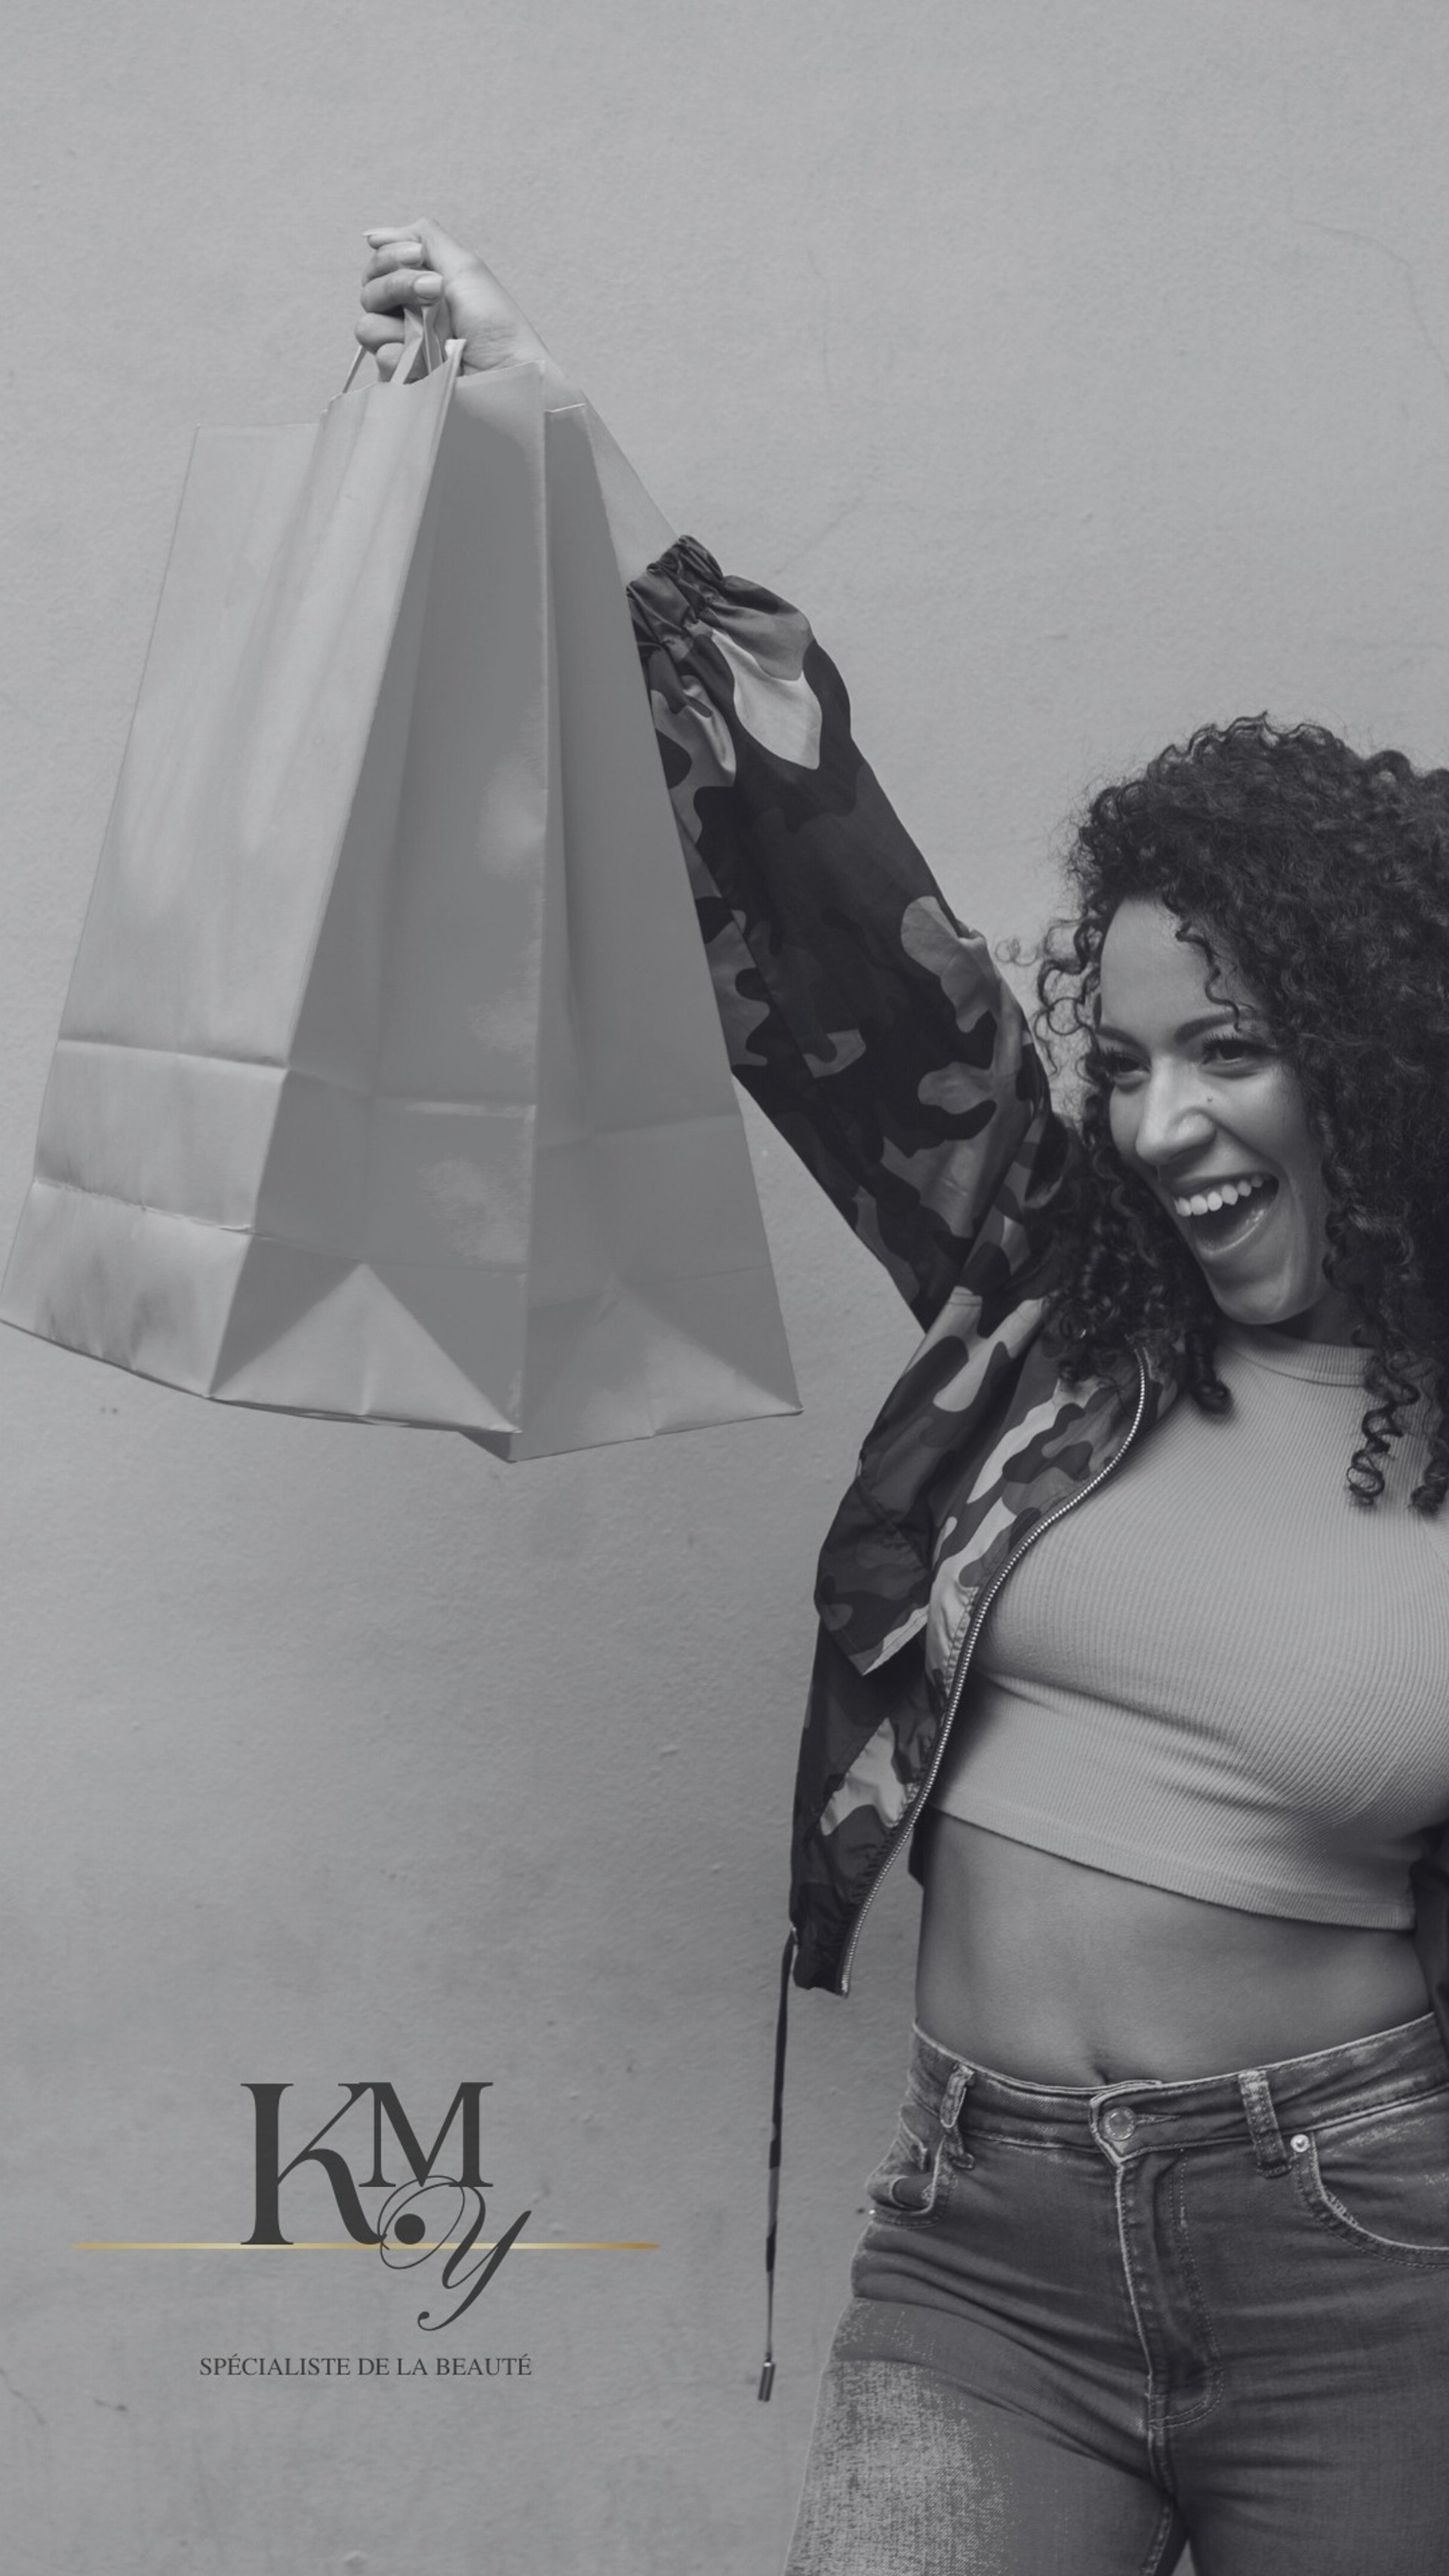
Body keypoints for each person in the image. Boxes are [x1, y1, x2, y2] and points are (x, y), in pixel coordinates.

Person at [355, 224, 1449, 2576]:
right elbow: (815, 867)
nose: (1162, 1127)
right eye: (1130, 1058)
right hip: (986, 2251)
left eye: (1235, 1053)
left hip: (1376, 2262)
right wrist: (544, 424)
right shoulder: (1069, 1297)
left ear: (1380, 1056)